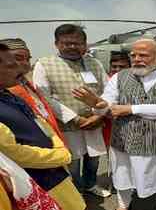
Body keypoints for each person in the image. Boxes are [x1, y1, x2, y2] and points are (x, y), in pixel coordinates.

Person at [72, 38, 156, 210]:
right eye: (133, 55)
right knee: (123, 177)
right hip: (126, 141)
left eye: (143, 55)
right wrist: (97, 104)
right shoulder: (120, 77)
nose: (136, 59)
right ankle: (122, 205)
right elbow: (108, 104)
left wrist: (133, 108)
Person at [0, 43, 86, 210]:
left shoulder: (8, 94)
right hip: (38, 182)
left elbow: (40, 122)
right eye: (11, 64)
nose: (20, 67)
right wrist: (61, 156)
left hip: (55, 173)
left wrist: (59, 146)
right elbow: (14, 152)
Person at [32, 24, 111, 197]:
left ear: (85, 44)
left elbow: (108, 91)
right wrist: (75, 119)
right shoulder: (44, 64)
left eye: (78, 43)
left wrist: (98, 116)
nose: (73, 47)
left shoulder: (94, 63)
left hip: (94, 122)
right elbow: (44, 97)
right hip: (68, 125)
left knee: (93, 159)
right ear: (57, 44)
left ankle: (90, 184)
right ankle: (77, 191)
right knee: (73, 162)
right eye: (67, 43)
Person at [0, 38, 66, 144]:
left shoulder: (26, 83)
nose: (26, 64)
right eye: (18, 58)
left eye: (27, 59)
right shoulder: (7, 91)